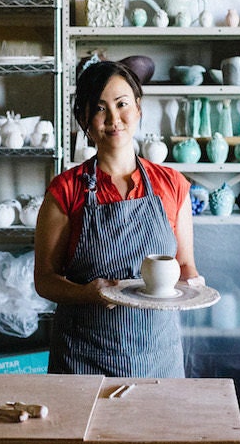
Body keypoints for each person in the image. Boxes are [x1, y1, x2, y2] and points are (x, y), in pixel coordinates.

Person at [34, 60, 201, 377]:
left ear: (137, 108)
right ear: (84, 119)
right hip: (83, 358)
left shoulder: (172, 185)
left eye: (122, 104)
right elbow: (44, 281)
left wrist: (193, 282)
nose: (114, 119)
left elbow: (185, 265)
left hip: (157, 357)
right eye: (99, 108)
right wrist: (86, 293)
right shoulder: (66, 190)